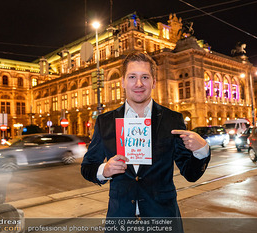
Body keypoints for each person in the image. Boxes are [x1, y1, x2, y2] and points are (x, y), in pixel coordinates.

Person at [81, 52, 210, 231]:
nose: (139, 83)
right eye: (132, 77)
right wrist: (105, 170)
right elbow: (87, 167)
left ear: (154, 82)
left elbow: (190, 174)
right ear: (123, 82)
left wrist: (201, 151)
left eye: (145, 77)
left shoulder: (172, 119)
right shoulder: (106, 122)